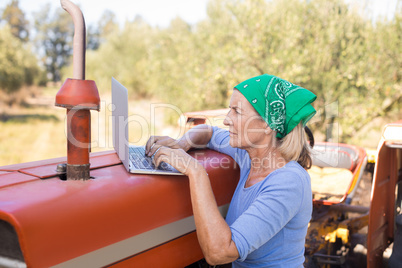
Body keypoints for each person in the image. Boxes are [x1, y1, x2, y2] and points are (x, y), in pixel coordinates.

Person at [145, 74, 317, 267]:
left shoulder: (289, 181)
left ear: (267, 125)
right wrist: (181, 143)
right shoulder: (249, 155)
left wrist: (195, 171)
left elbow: (220, 253)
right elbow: (209, 132)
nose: (227, 120)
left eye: (237, 111)